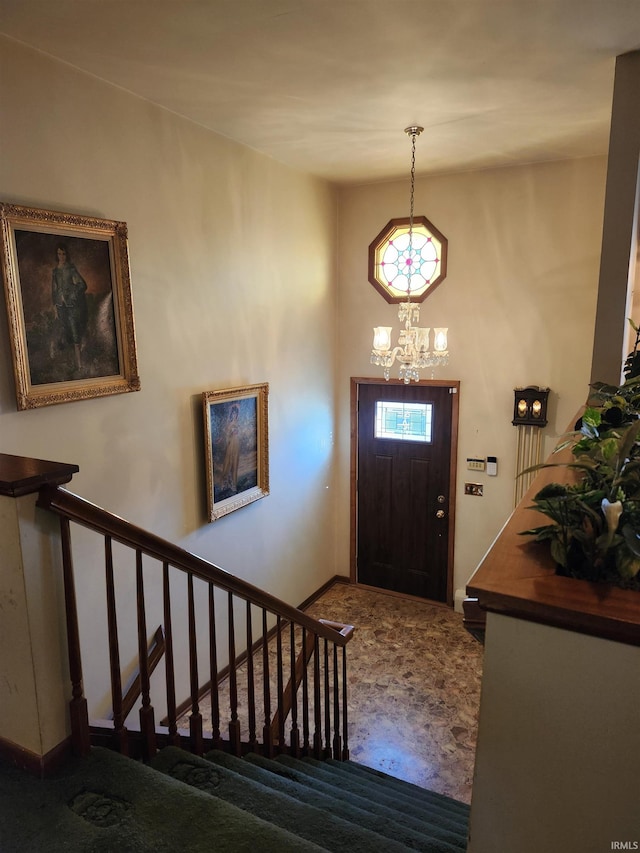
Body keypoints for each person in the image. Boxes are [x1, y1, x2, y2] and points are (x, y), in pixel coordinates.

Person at [51, 242, 88, 371]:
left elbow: (82, 285)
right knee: (65, 333)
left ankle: (79, 365)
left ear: (67, 255)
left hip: (71, 306)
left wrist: (72, 295)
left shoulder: (71, 269)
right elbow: (54, 290)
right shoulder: (55, 271)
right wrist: (55, 306)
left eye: (64, 254)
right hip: (60, 307)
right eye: (59, 254)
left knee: (74, 332)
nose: (61, 256)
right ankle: (69, 364)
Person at [221, 404, 240, 492]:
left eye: (235, 414)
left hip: (236, 444)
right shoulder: (229, 424)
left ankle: (233, 484)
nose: (234, 415)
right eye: (233, 414)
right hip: (230, 444)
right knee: (227, 462)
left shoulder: (238, 422)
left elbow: (241, 431)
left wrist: (237, 432)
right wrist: (230, 433)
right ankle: (225, 482)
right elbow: (226, 435)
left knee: (235, 463)